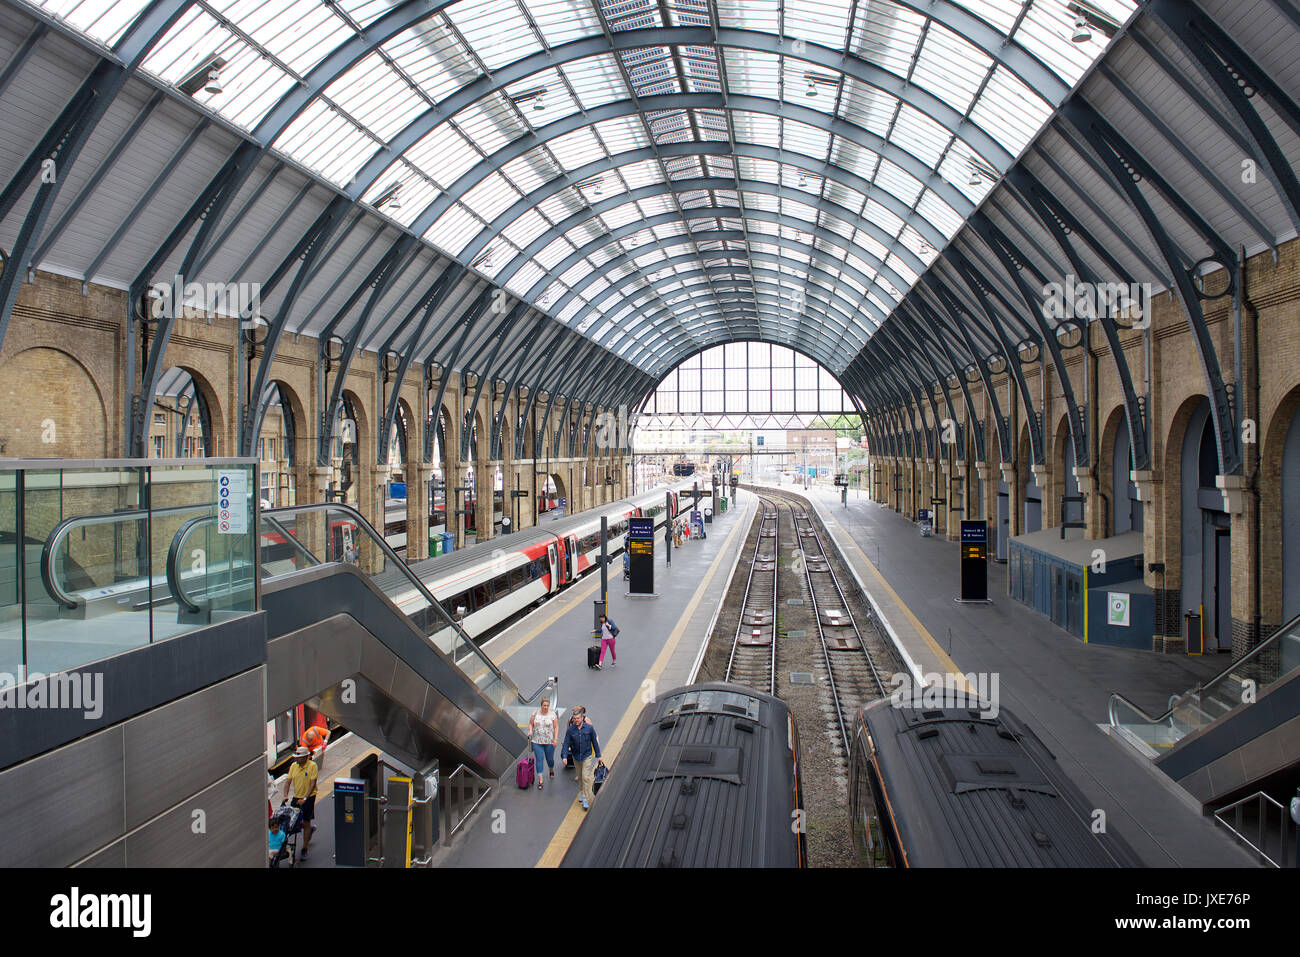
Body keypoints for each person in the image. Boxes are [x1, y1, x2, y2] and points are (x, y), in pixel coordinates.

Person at [560, 708, 603, 811]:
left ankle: (585, 799)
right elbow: (566, 743)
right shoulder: (571, 730)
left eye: (578, 718)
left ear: (582, 718)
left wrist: (598, 755)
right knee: (580, 777)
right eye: (574, 719)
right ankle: (582, 791)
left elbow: (594, 742)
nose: (576, 720)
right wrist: (565, 756)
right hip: (576, 757)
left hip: (587, 755)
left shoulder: (589, 728)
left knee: (585, 777)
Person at [282, 746, 319, 860]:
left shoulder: (312, 766)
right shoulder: (294, 766)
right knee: (291, 822)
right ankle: (308, 831)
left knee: (306, 821)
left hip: (308, 797)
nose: (297, 760)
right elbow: (288, 782)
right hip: (296, 797)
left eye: (300, 758)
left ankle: (304, 848)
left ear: (306, 757)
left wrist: (305, 799)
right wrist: (285, 795)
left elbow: (312, 784)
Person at [528, 697, 560, 789]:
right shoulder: (535, 714)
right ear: (541, 705)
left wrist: (555, 739)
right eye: (544, 705)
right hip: (537, 741)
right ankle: (540, 780)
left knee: (550, 759)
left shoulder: (552, 715)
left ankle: (551, 769)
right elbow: (530, 724)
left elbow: (556, 727)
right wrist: (530, 730)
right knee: (539, 759)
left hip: (549, 741)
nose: (545, 707)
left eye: (547, 706)